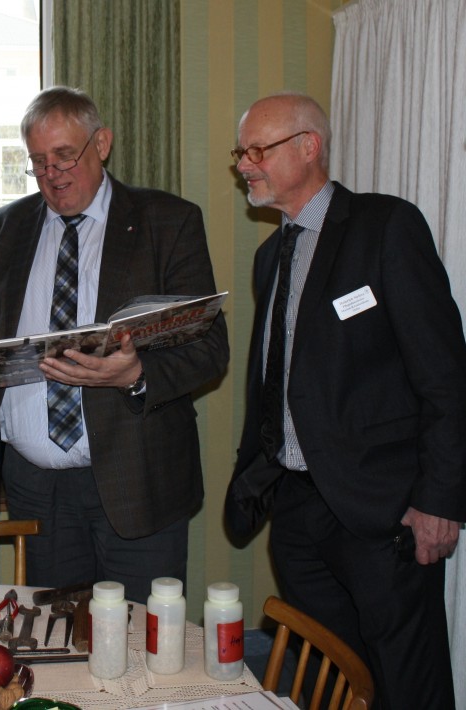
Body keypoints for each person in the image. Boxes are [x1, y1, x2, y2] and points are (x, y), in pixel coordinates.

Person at [225, 92, 466, 709]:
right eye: (240, 152)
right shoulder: (269, 256)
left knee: (407, 686)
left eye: (258, 150)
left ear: (309, 146)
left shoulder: (386, 227)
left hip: (383, 515)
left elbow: (444, 375)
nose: (244, 165)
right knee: (330, 681)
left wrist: (439, 499)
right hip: (300, 510)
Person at [0, 86, 229, 603]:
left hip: (137, 483)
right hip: (34, 491)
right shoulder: (7, 226)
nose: (51, 174)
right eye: (37, 162)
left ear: (101, 143)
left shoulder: (167, 222)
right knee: (52, 645)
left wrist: (135, 374)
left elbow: (209, 347)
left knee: (146, 652)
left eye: (64, 156)